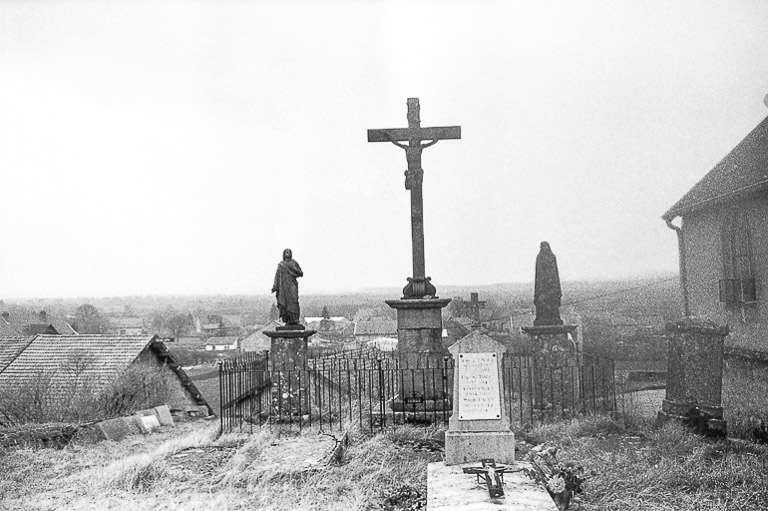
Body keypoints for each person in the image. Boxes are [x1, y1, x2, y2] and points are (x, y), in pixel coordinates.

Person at [534, 241, 564, 326]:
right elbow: (538, 274)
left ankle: (553, 317)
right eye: (542, 247)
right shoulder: (540, 257)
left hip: (551, 285)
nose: (544, 248)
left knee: (552, 302)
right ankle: (543, 317)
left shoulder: (552, 257)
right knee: (542, 302)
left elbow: (555, 273)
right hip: (543, 286)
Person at [271, 248, 303, 325]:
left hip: (292, 285)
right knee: (285, 303)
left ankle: (295, 319)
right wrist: (275, 286)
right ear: (283, 254)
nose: (288, 253)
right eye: (286, 252)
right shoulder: (281, 265)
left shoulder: (294, 263)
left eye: (289, 252)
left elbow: (300, 273)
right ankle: (287, 320)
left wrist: (293, 268)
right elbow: (277, 276)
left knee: (294, 301)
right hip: (284, 287)